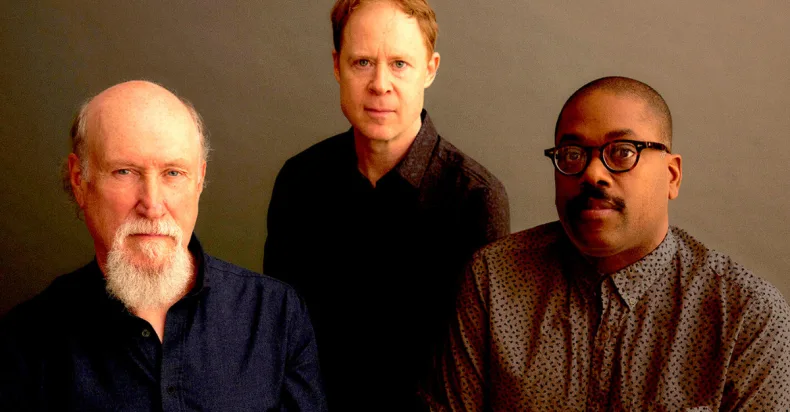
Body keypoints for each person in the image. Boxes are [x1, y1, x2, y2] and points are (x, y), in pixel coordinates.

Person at [437, 76, 790, 411]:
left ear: (672, 175)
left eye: (622, 151)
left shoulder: (746, 315)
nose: (592, 174)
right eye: (572, 154)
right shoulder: (495, 279)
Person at [0, 81, 326, 411]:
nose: (152, 205)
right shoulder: (25, 342)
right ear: (79, 180)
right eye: (124, 171)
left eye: (173, 173)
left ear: (199, 180)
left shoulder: (276, 315)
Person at [263, 0, 510, 409]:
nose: (380, 84)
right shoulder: (299, 181)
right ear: (337, 65)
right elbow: (279, 335)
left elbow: (480, 367)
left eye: (399, 64)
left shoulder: (475, 199)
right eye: (362, 62)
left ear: (429, 69)